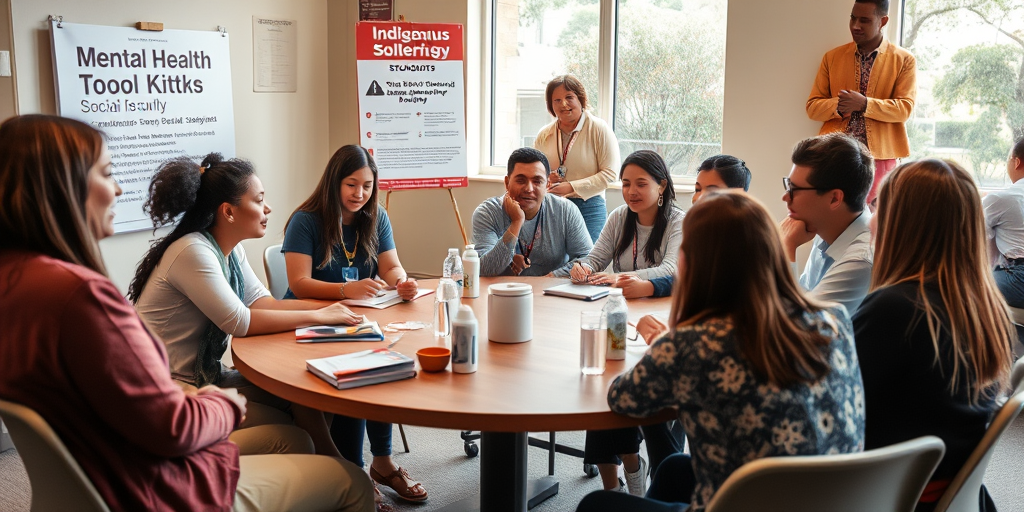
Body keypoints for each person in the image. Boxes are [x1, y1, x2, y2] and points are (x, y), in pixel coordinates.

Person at [0, 114, 373, 512]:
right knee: (347, 480)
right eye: (107, 173)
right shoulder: (81, 296)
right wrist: (221, 403)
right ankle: (352, 470)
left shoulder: (20, 280)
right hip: (151, 481)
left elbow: (260, 306)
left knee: (299, 419)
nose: (119, 188)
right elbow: (172, 424)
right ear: (61, 186)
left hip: (108, 466)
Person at [576, 190, 864, 512]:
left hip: (748, 502)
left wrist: (663, 347)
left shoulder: (693, 344)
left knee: (597, 505)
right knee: (673, 468)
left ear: (689, 261)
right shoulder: (834, 319)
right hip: (834, 498)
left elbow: (622, 398)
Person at [130, 153, 363, 464]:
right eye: (259, 200)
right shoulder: (192, 251)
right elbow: (240, 322)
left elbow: (263, 302)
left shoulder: (230, 248)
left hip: (206, 376)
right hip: (172, 391)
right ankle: (341, 475)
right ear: (228, 211)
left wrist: (334, 309)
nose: (268, 209)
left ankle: (339, 473)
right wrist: (320, 315)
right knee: (295, 428)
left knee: (308, 394)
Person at [853, 159, 1014, 512]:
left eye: (877, 204)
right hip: (945, 491)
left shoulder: (894, 308)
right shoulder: (983, 305)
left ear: (901, 222)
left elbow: (838, 405)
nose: (871, 215)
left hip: (886, 494)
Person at [282, 144, 426, 504]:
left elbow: (390, 265)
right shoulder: (306, 220)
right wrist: (346, 288)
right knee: (358, 375)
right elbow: (299, 284)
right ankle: (356, 473)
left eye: (367, 185)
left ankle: (382, 462)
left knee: (383, 365)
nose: (360, 194)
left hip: (356, 321)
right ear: (334, 182)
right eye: (351, 184)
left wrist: (401, 281)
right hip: (309, 322)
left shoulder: (376, 217)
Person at [568, 150, 684, 495]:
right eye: (626, 183)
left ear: (661, 185)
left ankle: (632, 470)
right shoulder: (620, 216)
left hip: (657, 318)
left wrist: (618, 277)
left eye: (641, 184)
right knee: (604, 387)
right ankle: (614, 484)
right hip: (617, 311)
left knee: (620, 387)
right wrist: (584, 268)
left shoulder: (678, 220)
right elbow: (596, 257)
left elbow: (672, 270)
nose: (631, 191)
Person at [806, 0, 916, 203]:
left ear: (883, 21)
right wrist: (838, 105)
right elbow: (812, 108)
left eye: (864, 20)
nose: (855, 26)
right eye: (852, 18)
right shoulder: (832, 58)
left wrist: (865, 104)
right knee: (833, 217)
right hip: (835, 156)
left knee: (877, 224)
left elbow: (904, 109)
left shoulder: (903, 60)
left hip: (881, 158)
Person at [628, 154, 752, 301]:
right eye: (697, 189)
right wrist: (649, 286)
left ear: (738, 194)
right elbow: (689, 278)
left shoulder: (747, 240)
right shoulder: (703, 234)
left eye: (712, 191)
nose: (699, 198)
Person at [781, 133, 874, 316]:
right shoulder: (825, 229)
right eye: (787, 186)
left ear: (834, 198)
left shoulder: (861, 260)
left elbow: (803, 329)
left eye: (794, 189)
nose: (785, 197)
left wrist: (785, 247)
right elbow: (804, 297)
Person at [473, 147, 593, 277]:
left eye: (537, 181)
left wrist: (552, 277)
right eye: (521, 180)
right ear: (507, 183)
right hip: (503, 292)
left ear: (547, 185)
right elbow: (485, 270)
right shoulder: (487, 213)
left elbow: (587, 259)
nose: (529, 189)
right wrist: (516, 222)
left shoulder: (565, 211)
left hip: (552, 291)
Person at [534, 74, 621, 242]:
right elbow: (535, 172)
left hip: (589, 206)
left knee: (585, 263)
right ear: (550, 105)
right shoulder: (544, 134)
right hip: (553, 206)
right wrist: (547, 177)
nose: (564, 104)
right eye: (557, 100)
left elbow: (610, 174)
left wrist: (571, 187)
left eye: (569, 97)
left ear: (580, 99)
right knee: (554, 262)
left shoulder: (598, 128)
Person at [984, 138, 1024, 319]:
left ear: (1016, 162)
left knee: (960, 285)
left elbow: (974, 238)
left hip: (1019, 279)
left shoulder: (1001, 199)